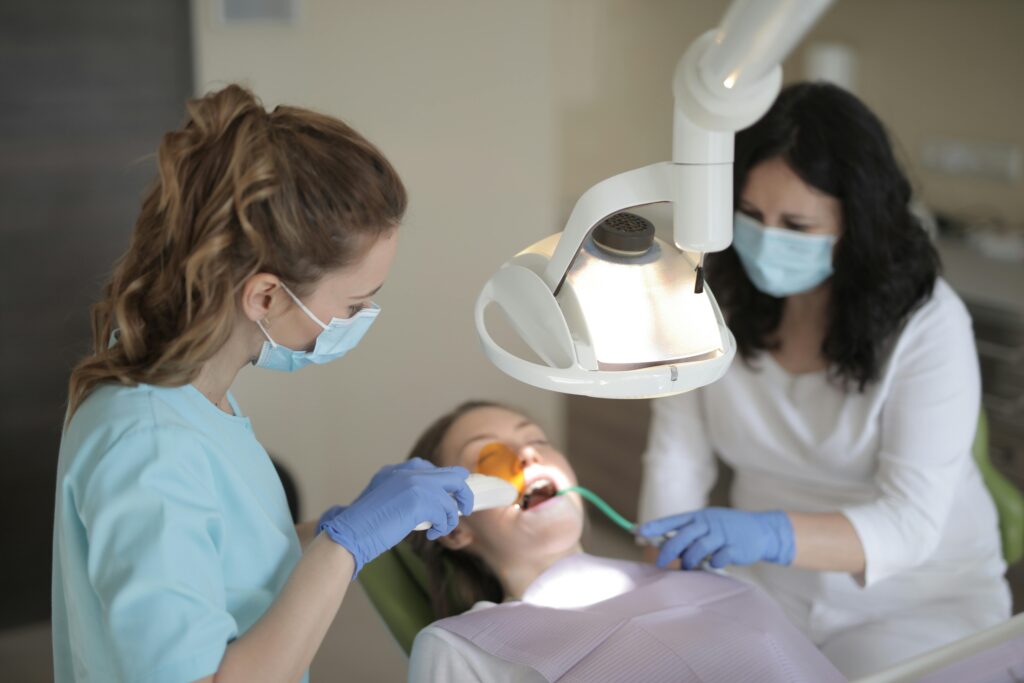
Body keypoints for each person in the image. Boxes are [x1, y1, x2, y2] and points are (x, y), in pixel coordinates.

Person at [51, 84, 473, 683]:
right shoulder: (147, 442)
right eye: (354, 305)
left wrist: (362, 527)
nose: (358, 322)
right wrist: (344, 545)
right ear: (267, 296)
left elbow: (221, 557)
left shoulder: (186, 390)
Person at [636, 81, 1011, 678]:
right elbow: (677, 457)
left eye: (798, 225)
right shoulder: (711, 299)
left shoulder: (928, 323)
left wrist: (769, 534)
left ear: (856, 226)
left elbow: (910, 525)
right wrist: (663, 565)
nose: (766, 240)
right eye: (752, 216)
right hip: (766, 589)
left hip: (917, 599)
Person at [404, 401, 846, 683]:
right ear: (456, 528)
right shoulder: (461, 647)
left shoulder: (704, 577)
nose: (529, 456)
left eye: (537, 439)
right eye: (490, 456)